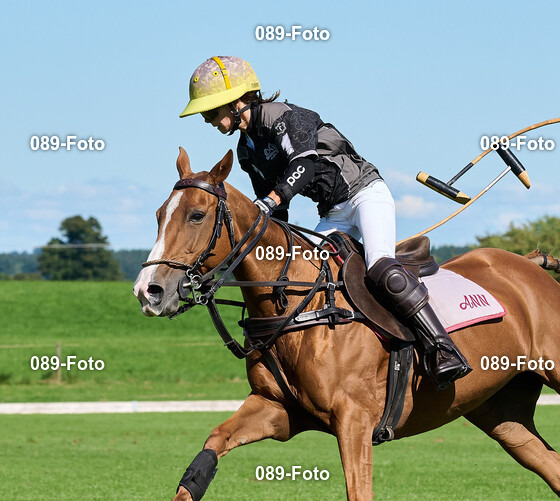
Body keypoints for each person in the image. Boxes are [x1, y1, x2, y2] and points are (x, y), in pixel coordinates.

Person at [180, 56, 470, 387]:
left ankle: (442, 348)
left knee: (380, 268)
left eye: (211, 112)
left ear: (236, 102)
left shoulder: (284, 117)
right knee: (299, 274)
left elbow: (303, 165)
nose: (208, 120)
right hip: (332, 214)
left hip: (365, 195)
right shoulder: (247, 151)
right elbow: (276, 214)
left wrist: (271, 201)